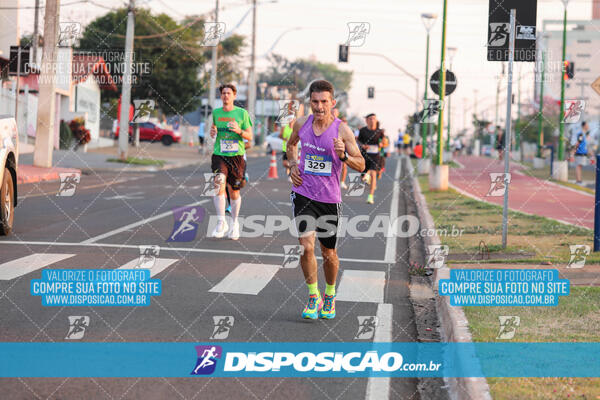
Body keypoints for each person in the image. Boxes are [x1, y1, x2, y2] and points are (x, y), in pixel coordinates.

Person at [286, 80, 365, 320]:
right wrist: (292, 165)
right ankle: (313, 295)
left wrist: (343, 156)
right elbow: (291, 145)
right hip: (303, 194)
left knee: (328, 252)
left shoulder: (343, 130)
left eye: (323, 102)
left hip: (329, 199)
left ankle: (329, 294)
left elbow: (361, 164)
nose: (319, 107)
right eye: (314, 102)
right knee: (306, 246)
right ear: (310, 102)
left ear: (332, 102)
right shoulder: (301, 123)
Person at [209, 84, 253, 240]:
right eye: (223, 93)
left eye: (228, 93)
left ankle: (234, 224)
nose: (225, 96)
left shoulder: (242, 113)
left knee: (234, 191)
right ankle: (221, 222)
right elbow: (213, 131)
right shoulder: (216, 113)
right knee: (218, 183)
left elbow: (250, 136)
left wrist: (239, 131)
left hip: (236, 156)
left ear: (234, 96)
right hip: (219, 154)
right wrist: (212, 132)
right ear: (221, 96)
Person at [358, 114, 384, 204]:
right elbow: (358, 140)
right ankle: (365, 176)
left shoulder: (379, 131)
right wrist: (362, 145)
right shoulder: (362, 131)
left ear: (376, 120)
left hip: (375, 155)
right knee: (363, 177)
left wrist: (381, 144)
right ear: (367, 120)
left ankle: (370, 197)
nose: (372, 120)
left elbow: (384, 141)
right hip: (364, 155)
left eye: (374, 119)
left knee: (373, 173)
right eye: (370, 119)